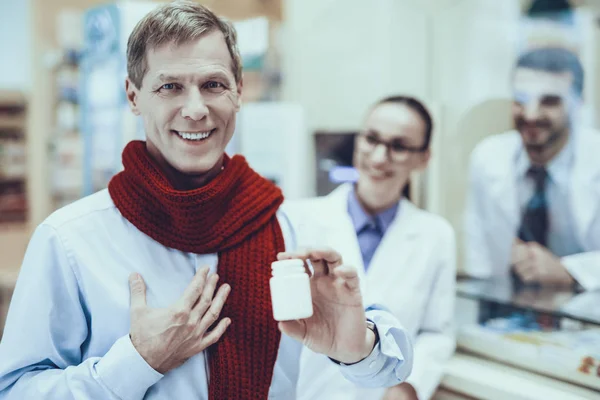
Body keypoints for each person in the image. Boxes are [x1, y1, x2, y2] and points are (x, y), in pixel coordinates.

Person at [0, 3, 414, 399]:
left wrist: (358, 343)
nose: (196, 109)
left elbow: (392, 364)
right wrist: (136, 362)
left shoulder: (294, 228)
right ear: (133, 96)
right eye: (170, 87)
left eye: (213, 84)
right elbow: (15, 390)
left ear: (238, 91)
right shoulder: (71, 239)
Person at [288, 96, 456, 400]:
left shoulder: (436, 235)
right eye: (372, 139)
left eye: (399, 146)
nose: (379, 157)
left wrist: (407, 386)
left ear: (423, 158)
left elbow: (437, 333)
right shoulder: (296, 219)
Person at [464, 47, 600, 291]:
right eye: (521, 100)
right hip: (510, 312)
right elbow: (480, 255)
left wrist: (569, 271)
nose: (531, 114)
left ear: (577, 104)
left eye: (549, 101)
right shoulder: (488, 157)